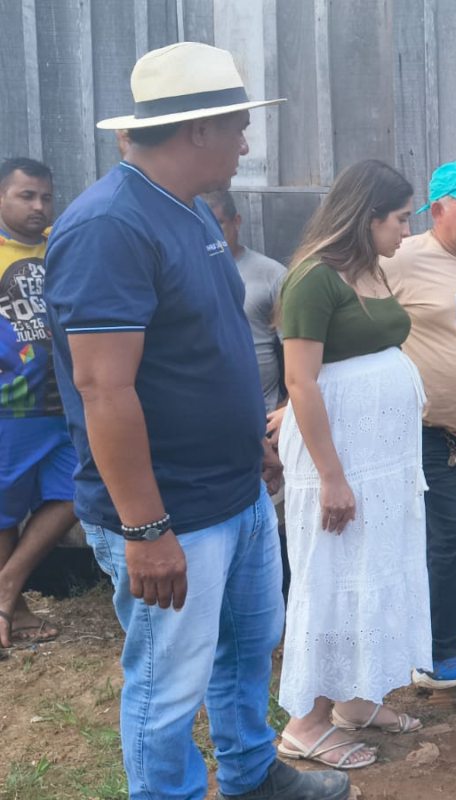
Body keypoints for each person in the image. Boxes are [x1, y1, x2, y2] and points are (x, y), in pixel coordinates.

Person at [44, 42, 348, 800]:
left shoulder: (188, 214)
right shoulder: (110, 226)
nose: (248, 141)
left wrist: (253, 447)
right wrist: (146, 531)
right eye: (239, 126)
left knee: (247, 650)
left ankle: (250, 773)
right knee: (169, 682)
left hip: (234, 493)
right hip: (171, 511)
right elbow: (102, 389)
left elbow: (205, 349)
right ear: (199, 130)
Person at [275, 159, 429, 770]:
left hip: (382, 463)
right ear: (365, 218)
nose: (405, 230)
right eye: (399, 218)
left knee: (379, 569)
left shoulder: (368, 269)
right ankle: (305, 724)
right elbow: (301, 380)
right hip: (341, 465)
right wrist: (332, 477)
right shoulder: (314, 278)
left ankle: (356, 701)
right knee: (334, 577)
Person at [380, 160, 456, 690]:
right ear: (438, 209)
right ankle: (433, 653)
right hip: (427, 431)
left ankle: (427, 643)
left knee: (450, 539)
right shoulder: (403, 258)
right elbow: (347, 306)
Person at [0, 157, 78, 648]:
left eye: (46, 197)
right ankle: (15, 606)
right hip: (12, 406)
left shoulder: (60, 248)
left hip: (65, 400)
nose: (39, 206)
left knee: (78, 488)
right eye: (26, 196)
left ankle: (7, 588)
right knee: (4, 511)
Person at [202, 190, 287, 413]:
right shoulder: (183, 273)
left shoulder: (272, 274)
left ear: (236, 221)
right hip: (202, 411)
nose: (210, 234)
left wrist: (287, 408)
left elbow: (296, 348)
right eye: (201, 226)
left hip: (263, 412)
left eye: (218, 224)